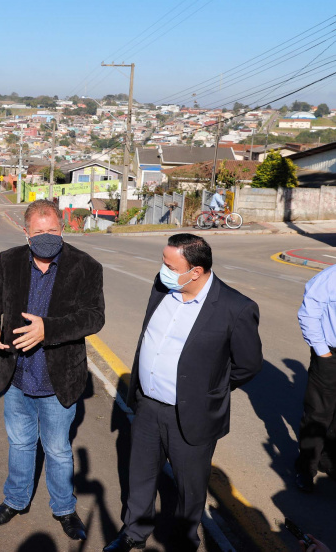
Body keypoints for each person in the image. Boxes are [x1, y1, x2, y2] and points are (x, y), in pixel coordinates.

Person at [104, 234, 263, 552]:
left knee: (190, 488)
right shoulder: (162, 287)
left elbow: (248, 365)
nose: (162, 270)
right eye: (163, 262)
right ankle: (134, 532)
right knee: (140, 475)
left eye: (170, 266)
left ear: (196, 271)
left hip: (192, 414)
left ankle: (183, 542)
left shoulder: (235, 308)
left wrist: (208, 390)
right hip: (148, 406)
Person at [0, 199, 105, 541]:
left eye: (53, 230)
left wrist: (48, 330)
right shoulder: (9, 260)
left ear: (62, 228)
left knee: (58, 449)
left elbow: (94, 317)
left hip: (58, 378)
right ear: (26, 232)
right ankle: (15, 501)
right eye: (39, 231)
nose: (47, 236)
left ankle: (64, 509)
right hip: (17, 374)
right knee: (20, 444)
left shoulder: (86, 266)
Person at [295, 263, 336, 492]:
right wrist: (323, 353)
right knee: (318, 414)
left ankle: (328, 461)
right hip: (330, 355)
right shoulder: (329, 278)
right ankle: (306, 468)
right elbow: (309, 314)